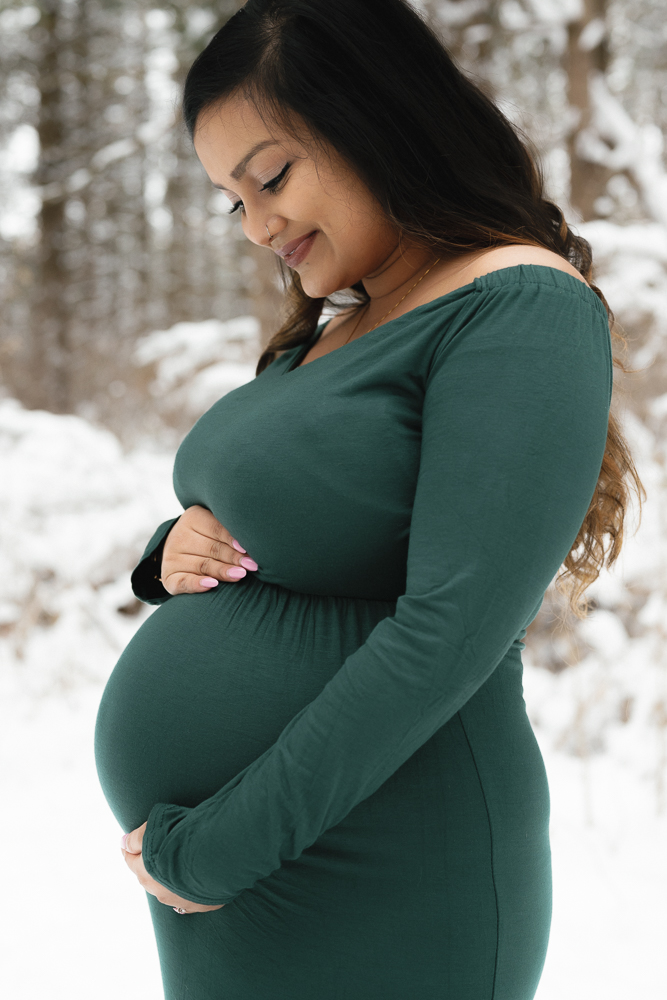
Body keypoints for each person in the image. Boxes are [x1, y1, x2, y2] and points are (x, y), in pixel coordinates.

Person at [94, 1, 643, 998]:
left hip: (383, 863)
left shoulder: (520, 306)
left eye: (270, 176)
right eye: (232, 200)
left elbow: (447, 633)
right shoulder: (343, 321)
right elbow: (311, 523)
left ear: (376, 114)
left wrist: (216, 850)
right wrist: (176, 548)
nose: (259, 225)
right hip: (254, 869)